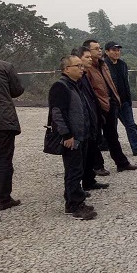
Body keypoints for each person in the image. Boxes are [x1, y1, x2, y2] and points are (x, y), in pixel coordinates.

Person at [48, 55, 98, 220]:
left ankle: (73, 200)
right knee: (73, 171)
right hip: (72, 137)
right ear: (66, 69)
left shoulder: (76, 85)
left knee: (77, 169)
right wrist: (67, 135)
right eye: (78, 66)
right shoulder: (60, 87)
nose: (81, 69)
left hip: (82, 135)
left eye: (81, 66)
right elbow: (57, 113)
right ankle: (75, 206)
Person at [82, 39, 137, 173]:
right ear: (87, 51)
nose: (99, 50)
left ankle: (121, 163)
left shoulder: (103, 65)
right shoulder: (87, 68)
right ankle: (98, 166)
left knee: (112, 135)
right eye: (96, 49)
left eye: (100, 48)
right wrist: (96, 104)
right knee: (95, 138)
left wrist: (115, 99)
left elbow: (110, 84)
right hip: (96, 107)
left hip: (110, 104)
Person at [72, 46, 109, 190]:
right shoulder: (74, 81)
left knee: (90, 153)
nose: (90, 59)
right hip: (82, 124)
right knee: (80, 159)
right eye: (86, 57)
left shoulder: (85, 76)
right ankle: (75, 191)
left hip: (91, 120)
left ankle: (89, 181)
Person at [104, 42, 137, 156]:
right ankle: (114, 150)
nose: (116, 52)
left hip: (124, 100)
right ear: (107, 52)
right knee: (112, 128)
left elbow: (126, 83)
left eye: (118, 50)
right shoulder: (104, 66)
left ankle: (136, 148)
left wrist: (129, 99)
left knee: (130, 125)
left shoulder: (123, 64)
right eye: (113, 50)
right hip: (112, 102)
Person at [0, 53, 24, 210]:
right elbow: (17, 90)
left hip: (2, 119)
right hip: (3, 119)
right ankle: (4, 199)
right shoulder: (4, 66)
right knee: (4, 159)